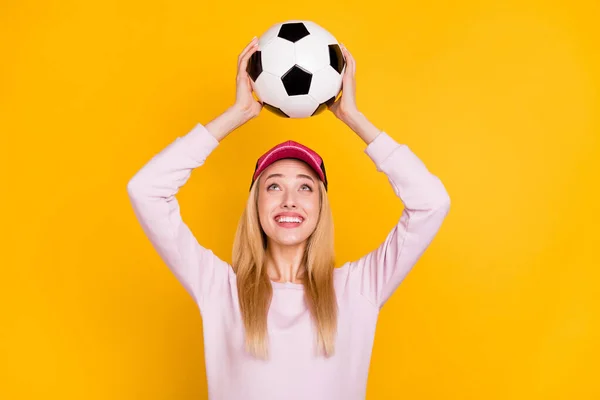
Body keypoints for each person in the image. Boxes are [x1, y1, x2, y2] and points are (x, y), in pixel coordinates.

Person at [127, 37, 451, 400]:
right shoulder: (219, 290)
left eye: (306, 188)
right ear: (255, 204)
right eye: (274, 187)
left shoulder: (358, 289)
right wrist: (237, 114)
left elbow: (431, 202)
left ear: (321, 208)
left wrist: (353, 117)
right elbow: (146, 190)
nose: (290, 201)